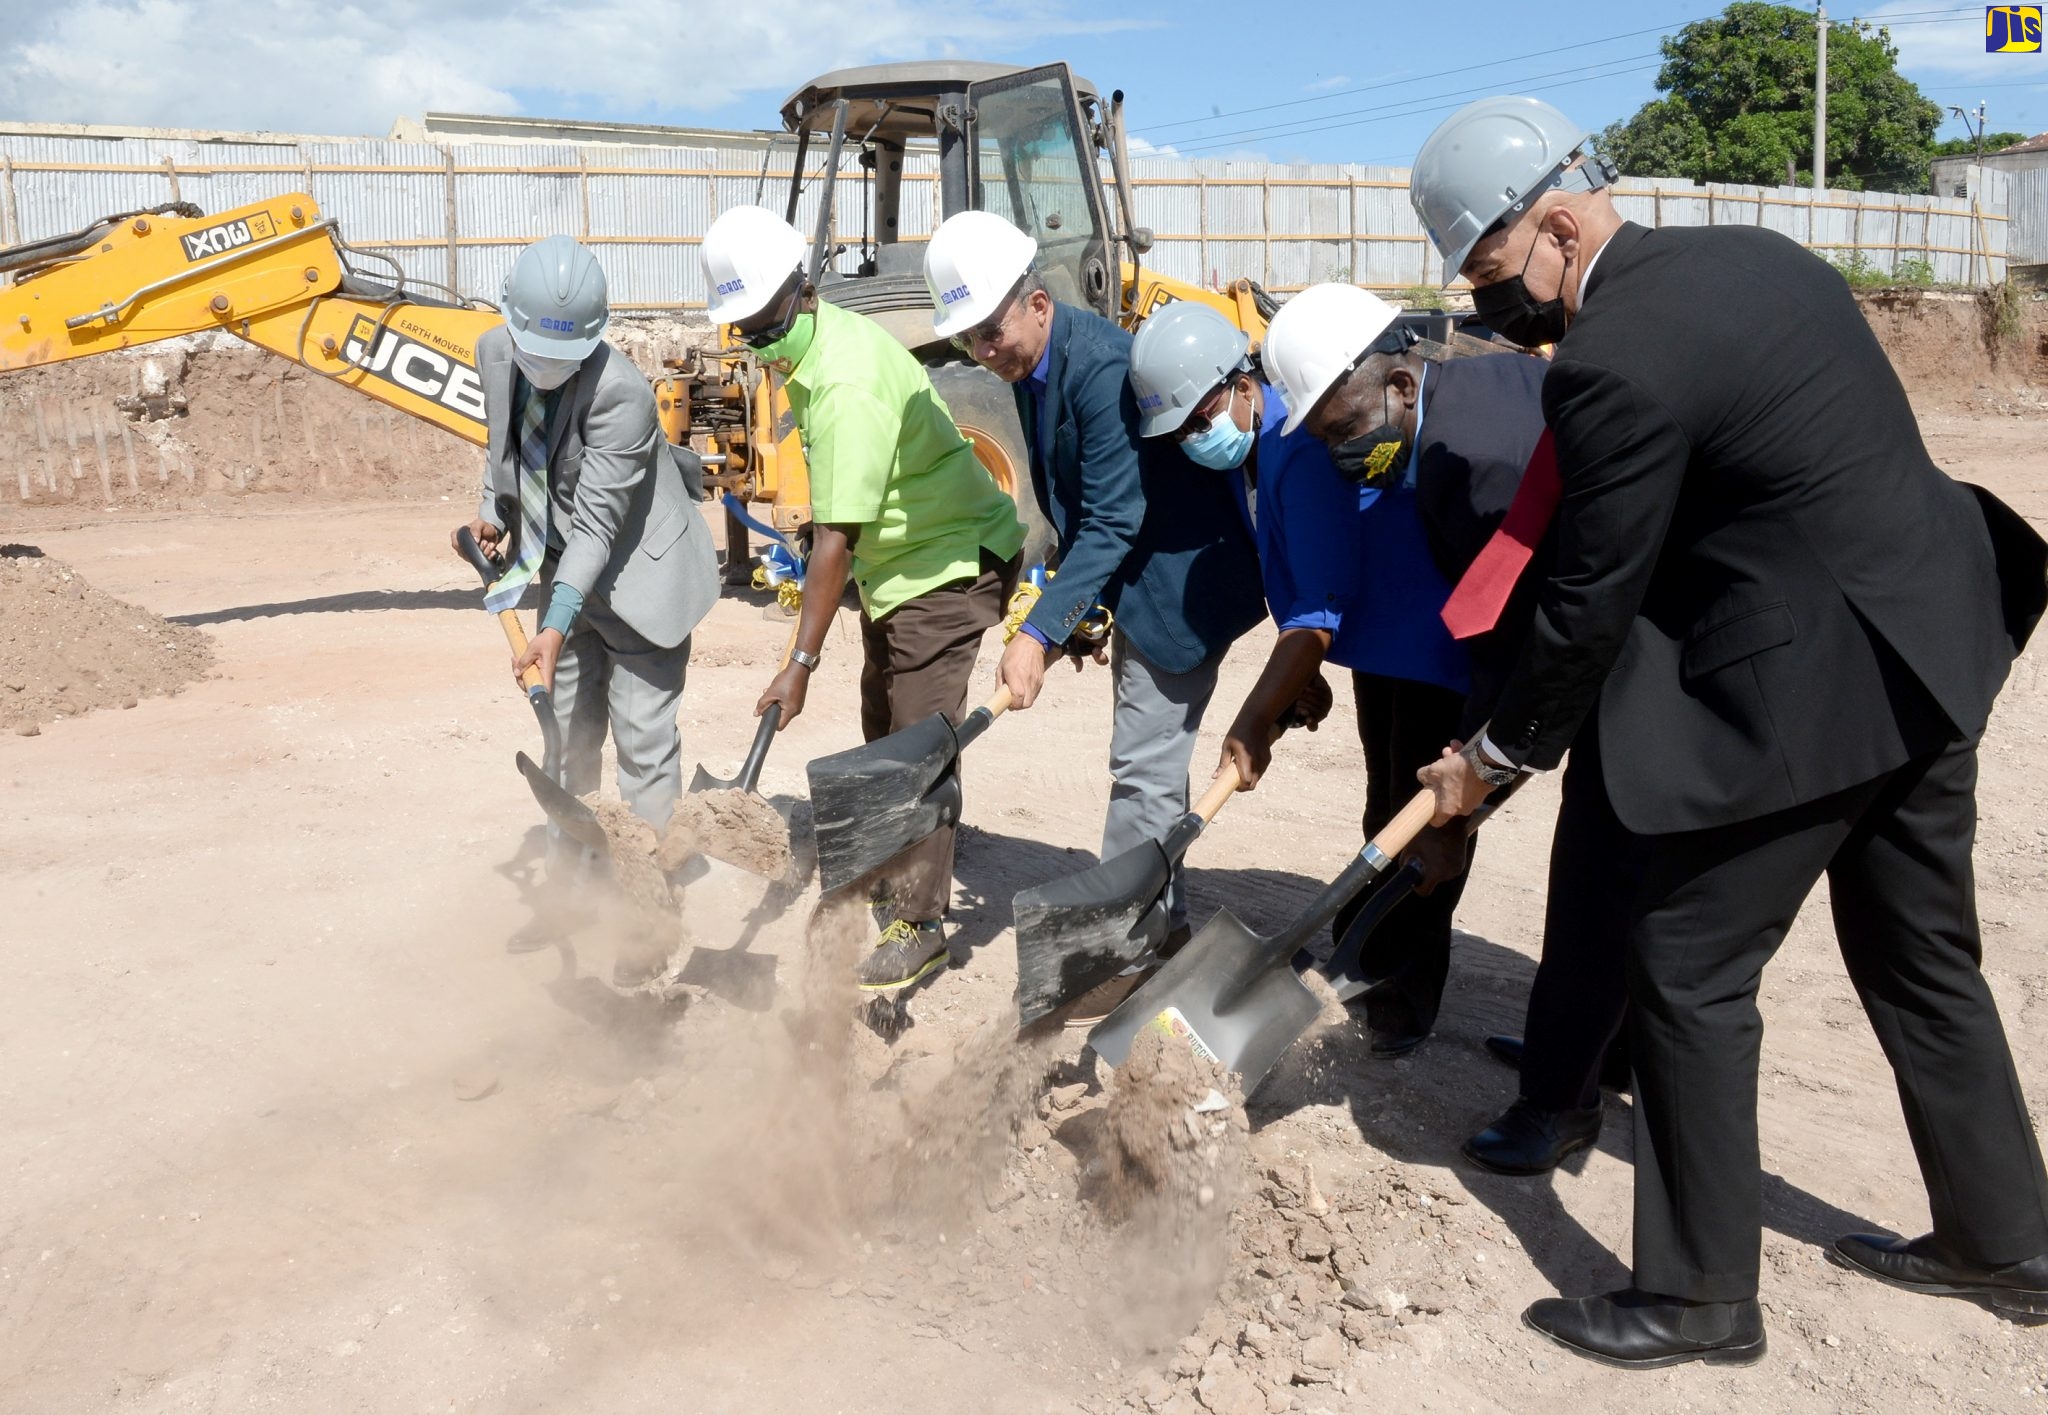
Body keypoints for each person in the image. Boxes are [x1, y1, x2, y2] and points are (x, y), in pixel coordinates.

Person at [1409, 94, 2048, 1368]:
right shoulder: (1747, 251)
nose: (1492, 307)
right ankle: (2006, 1235)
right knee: (1920, 952)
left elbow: (1590, 599)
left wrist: (1491, 756)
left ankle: (1698, 1294)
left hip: (1817, 683)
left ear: (1553, 222)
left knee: (1688, 964)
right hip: (1931, 635)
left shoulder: (1611, 361)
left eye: (1490, 272)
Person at [1128, 289, 1543, 1061]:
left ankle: (1400, 995)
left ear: (1243, 385)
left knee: (1417, 819)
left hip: (1431, 644)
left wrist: (1257, 716)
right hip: (1388, 644)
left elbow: (1316, 611)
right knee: (1382, 810)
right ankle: (1371, 958)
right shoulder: (1280, 443)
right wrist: (1295, 686)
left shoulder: (1300, 447)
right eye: (1182, 429)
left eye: (1199, 417)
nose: (1195, 437)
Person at [922, 212, 1266, 1008]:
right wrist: (1083, 606)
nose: (982, 353)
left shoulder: (1102, 368)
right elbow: (1082, 508)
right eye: (967, 341)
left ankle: (1119, 954)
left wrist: (1039, 629)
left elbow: (1116, 517)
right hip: (1135, 577)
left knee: (1142, 771)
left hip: (1178, 586)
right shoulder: (1044, 365)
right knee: (1151, 769)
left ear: (1037, 304)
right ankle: (1156, 926)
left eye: (990, 331)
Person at [701, 206, 1026, 992]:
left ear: (800, 291)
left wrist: (798, 663)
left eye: (764, 318)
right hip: (901, 559)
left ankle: (919, 924)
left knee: (917, 739)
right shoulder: (813, 353)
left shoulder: (842, 380)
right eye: (741, 325)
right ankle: (892, 859)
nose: (756, 337)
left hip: (949, 560)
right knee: (883, 717)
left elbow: (835, 542)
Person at [454, 234, 719, 891]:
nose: (545, 365)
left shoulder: (621, 395)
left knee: (643, 747)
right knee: (568, 743)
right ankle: (570, 891)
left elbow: (598, 527)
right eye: (534, 349)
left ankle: (650, 906)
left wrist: (551, 625)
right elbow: (505, 447)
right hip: (566, 575)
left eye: (561, 355)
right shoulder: (493, 353)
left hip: (643, 578)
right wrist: (495, 510)